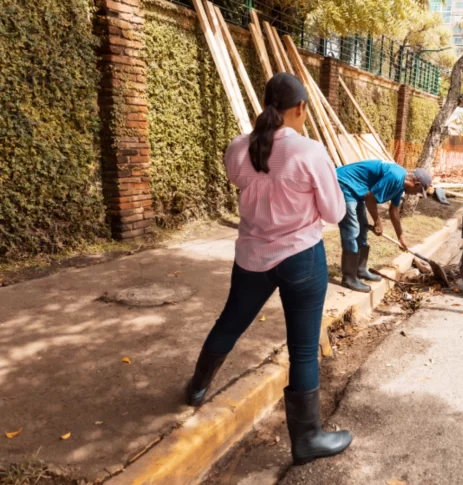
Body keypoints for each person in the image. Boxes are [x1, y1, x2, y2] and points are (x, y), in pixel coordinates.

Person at [186, 73, 352, 465]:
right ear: (300, 108)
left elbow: (239, 181)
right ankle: (307, 438)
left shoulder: (238, 148)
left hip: (251, 259)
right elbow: (334, 212)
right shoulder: (310, 152)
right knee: (303, 348)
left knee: (229, 322)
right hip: (302, 259)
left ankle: (196, 388)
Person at [336, 160, 432, 293]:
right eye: (419, 190)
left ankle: (360, 270)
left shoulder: (400, 185)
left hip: (357, 190)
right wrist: (377, 222)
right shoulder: (395, 176)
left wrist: (401, 238)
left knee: (362, 230)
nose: (417, 194)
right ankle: (349, 278)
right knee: (352, 231)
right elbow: (370, 197)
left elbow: (394, 211)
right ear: (415, 184)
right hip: (344, 184)